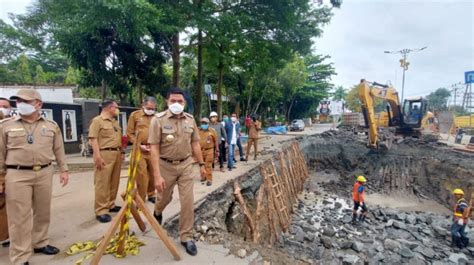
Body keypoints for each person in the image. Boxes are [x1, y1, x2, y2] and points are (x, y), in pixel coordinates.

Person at [0, 89, 69, 264]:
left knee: (43, 211)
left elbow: (59, 150)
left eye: (26, 101)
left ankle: (40, 242)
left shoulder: (51, 125)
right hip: (16, 174)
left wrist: (64, 169)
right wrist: (0, 179)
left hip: (44, 172)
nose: (20, 104)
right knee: (19, 217)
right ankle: (20, 256)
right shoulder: (6, 126)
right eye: (18, 101)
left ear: (39, 104)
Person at [148, 87, 206, 256]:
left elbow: (195, 143)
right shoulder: (157, 120)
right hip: (165, 166)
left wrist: (202, 164)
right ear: (167, 102)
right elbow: (154, 149)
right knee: (164, 198)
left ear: (185, 103)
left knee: (187, 201)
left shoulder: (190, 120)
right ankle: (158, 211)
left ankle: (186, 237)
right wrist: (157, 176)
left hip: (186, 165)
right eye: (173, 101)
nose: (176, 104)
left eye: (180, 101)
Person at [88, 99, 124, 223]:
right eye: (116, 107)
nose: (117, 110)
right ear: (110, 108)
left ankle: (111, 204)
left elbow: (118, 138)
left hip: (117, 153)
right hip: (104, 153)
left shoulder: (114, 122)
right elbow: (93, 139)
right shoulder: (97, 121)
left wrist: (122, 152)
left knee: (114, 181)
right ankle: (101, 210)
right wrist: (97, 156)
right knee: (102, 182)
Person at [127, 96, 157, 203]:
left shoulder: (157, 117)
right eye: (149, 108)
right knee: (142, 175)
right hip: (139, 149)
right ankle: (141, 197)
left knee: (154, 173)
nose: (151, 110)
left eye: (153, 108)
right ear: (143, 105)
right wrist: (139, 144)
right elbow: (129, 133)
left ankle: (152, 193)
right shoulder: (135, 115)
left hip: (153, 149)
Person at [0, 97, 11, 248]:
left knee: (5, 206)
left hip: (10, 171)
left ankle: (5, 235)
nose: (2, 109)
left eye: (5, 106)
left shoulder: (13, 125)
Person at [198, 118, 218, 186]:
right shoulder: (198, 130)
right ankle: (203, 177)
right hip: (200, 151)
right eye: (202, 123)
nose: (204, 124)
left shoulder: (212, 131)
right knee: (201, 165)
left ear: (208, 124)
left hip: (209, 150)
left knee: (208, 165)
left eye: (205, 123)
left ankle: (209, 179)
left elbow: (216, 141)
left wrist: (217, 150)